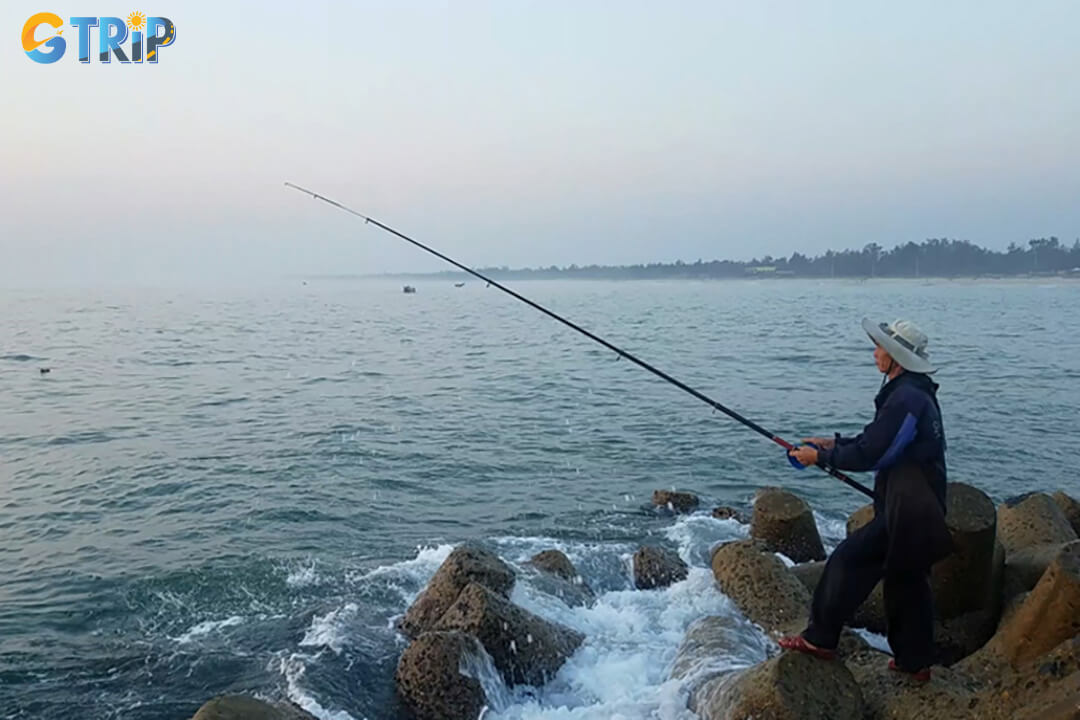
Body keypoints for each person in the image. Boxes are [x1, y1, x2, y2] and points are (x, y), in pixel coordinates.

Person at [780, 317, 953, 680]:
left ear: (896, 358)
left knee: (849, 559)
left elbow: (874, 453)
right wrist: (833, 443)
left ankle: (820, 639)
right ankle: (915, 663)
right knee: (907, 582)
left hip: (910, 510)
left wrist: (821, 457)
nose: (875, 353)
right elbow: (880, 441)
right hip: (919, 506)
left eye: (881, 349)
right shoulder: (914, 392)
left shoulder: (906, 397)